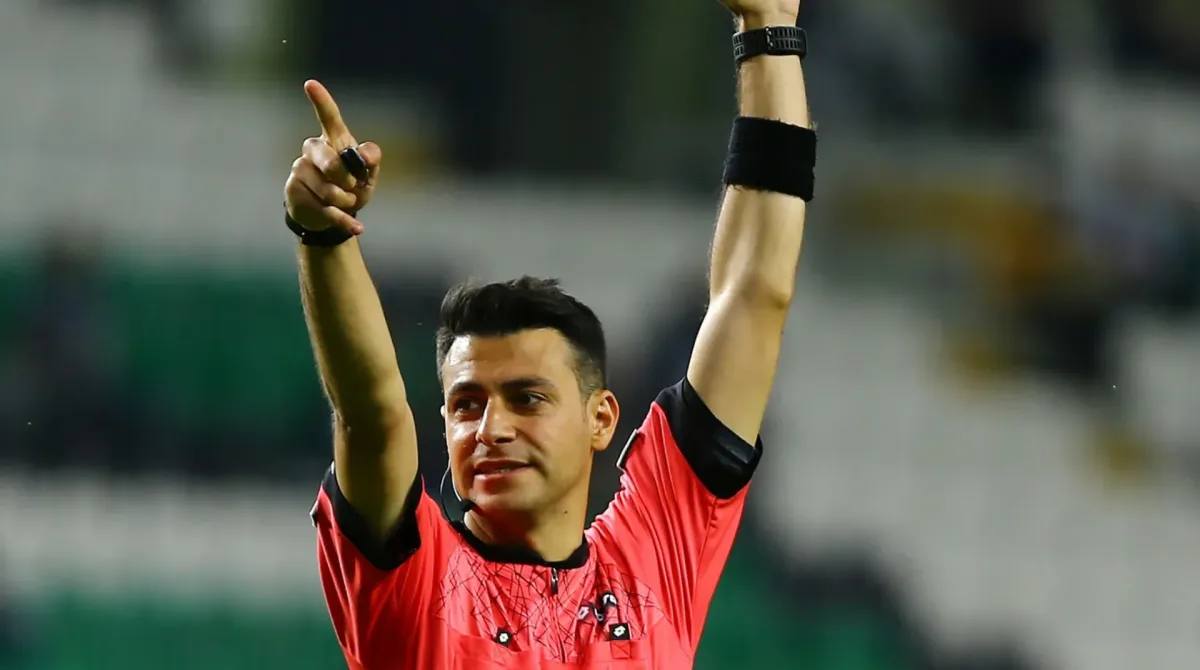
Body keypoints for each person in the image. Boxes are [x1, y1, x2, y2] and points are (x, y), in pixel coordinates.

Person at [287, 0, 814, 666]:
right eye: (466, 405)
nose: (491, 429)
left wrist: (770, 31)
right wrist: (325, 234)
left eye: (527, 398)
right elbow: (370, 411)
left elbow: (753, 295)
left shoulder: (653, 559)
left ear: (602, 419)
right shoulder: (415, 583)